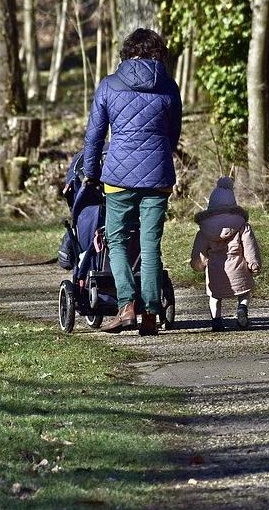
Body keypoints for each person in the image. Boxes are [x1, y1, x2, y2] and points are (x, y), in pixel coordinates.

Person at [82, 28, 182, 336]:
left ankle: (126, 306)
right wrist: (161, 156)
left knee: (117, 241)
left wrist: (90, 171)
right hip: (158, 176)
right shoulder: (168, 85)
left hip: (118, 177)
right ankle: (150, 313)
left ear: (126, 52)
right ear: (158, 53)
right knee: (150, 245)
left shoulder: (110, 85)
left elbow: (95, 134)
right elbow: (173, 133)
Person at [190, 177, 262, 331]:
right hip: (239, 267)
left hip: (216, 270)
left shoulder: (204, 230)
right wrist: (253, 263)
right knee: (244, 292)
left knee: (215, 296)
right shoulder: (242, 225)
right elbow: (249, 246)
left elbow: (200, 251)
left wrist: (198, 264)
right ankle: (242, 309)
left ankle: (216, 321)